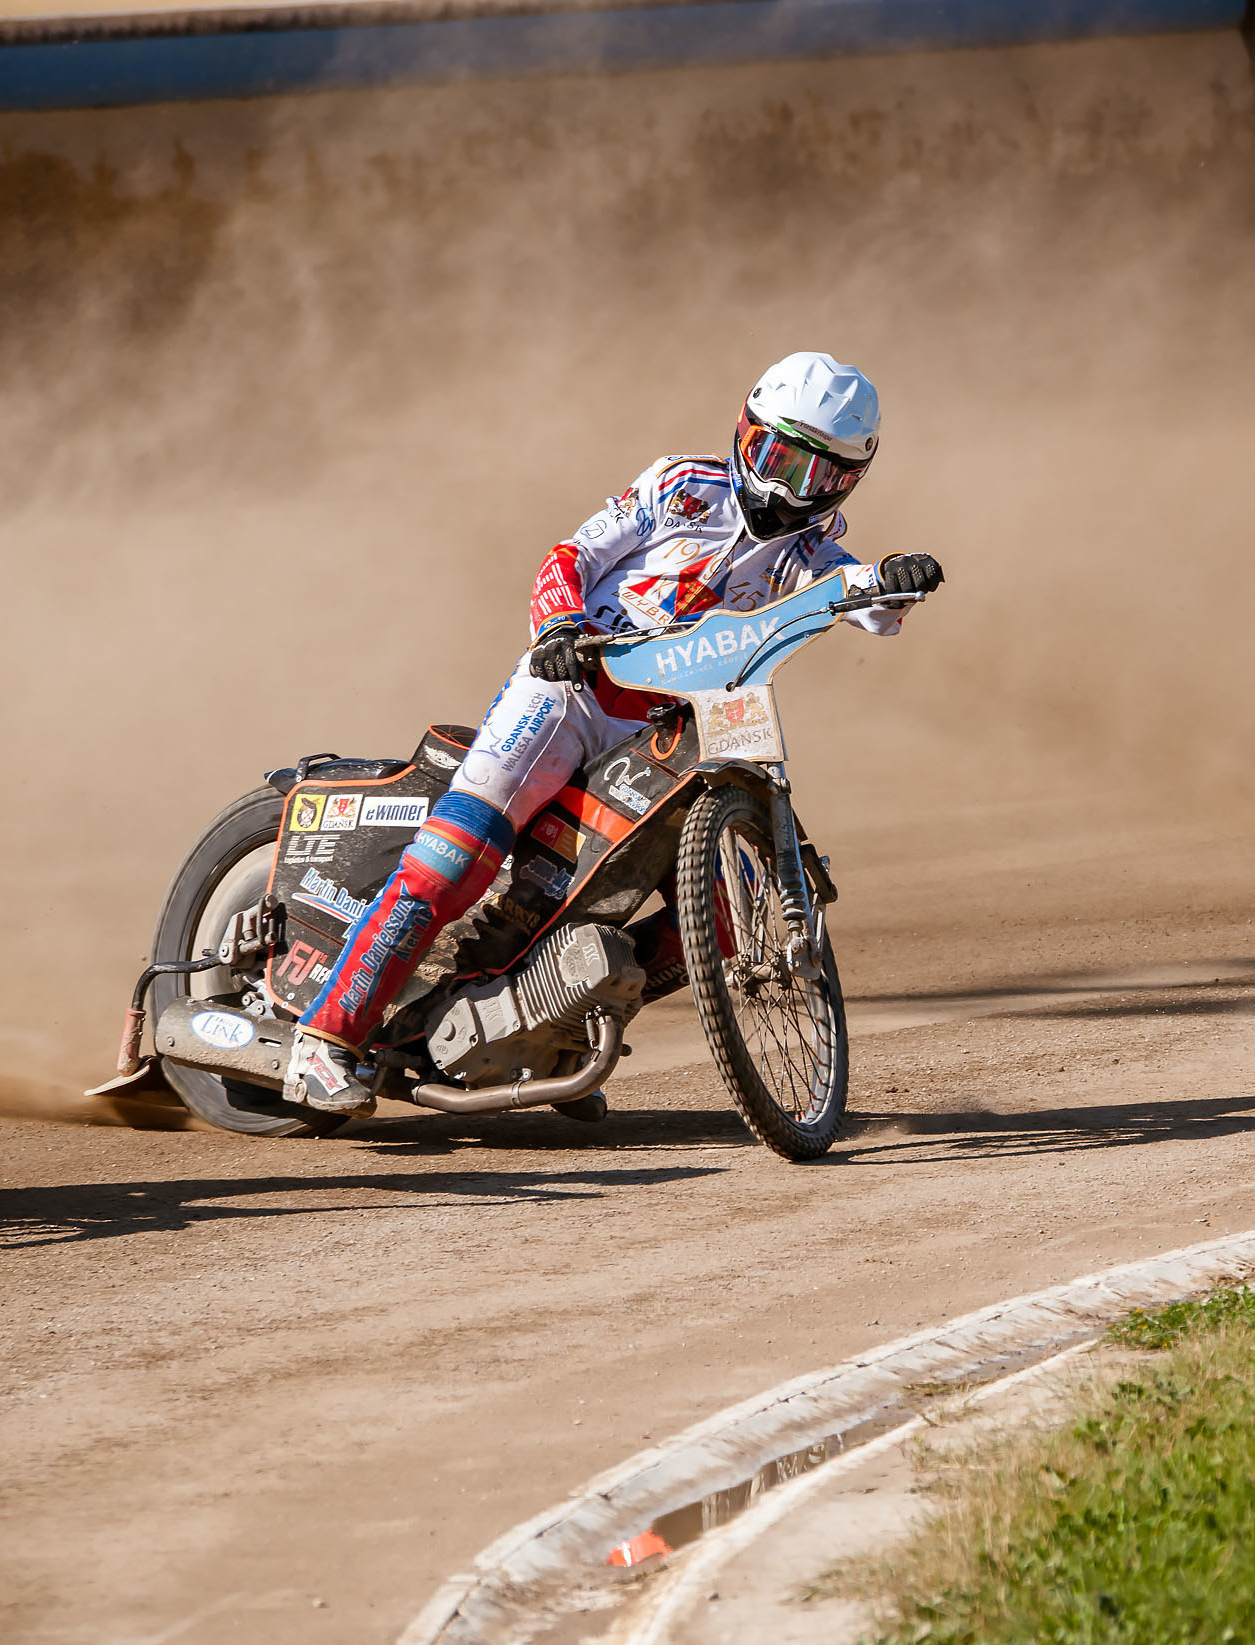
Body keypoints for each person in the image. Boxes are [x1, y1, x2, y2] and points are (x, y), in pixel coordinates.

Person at [283, 352, 945, 1112]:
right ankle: (323, 1041)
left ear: (850, 480)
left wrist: (898, 577)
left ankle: (550, 1022)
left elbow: (860, 595)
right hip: (569, 694)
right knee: (451, 865)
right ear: (745, 431)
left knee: (726, 917)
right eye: (777, 456)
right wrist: (559, 625)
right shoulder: (679, 486)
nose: (792, 487)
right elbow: (571, 554)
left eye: (820, 474)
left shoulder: (809, 553)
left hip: (663, 731)